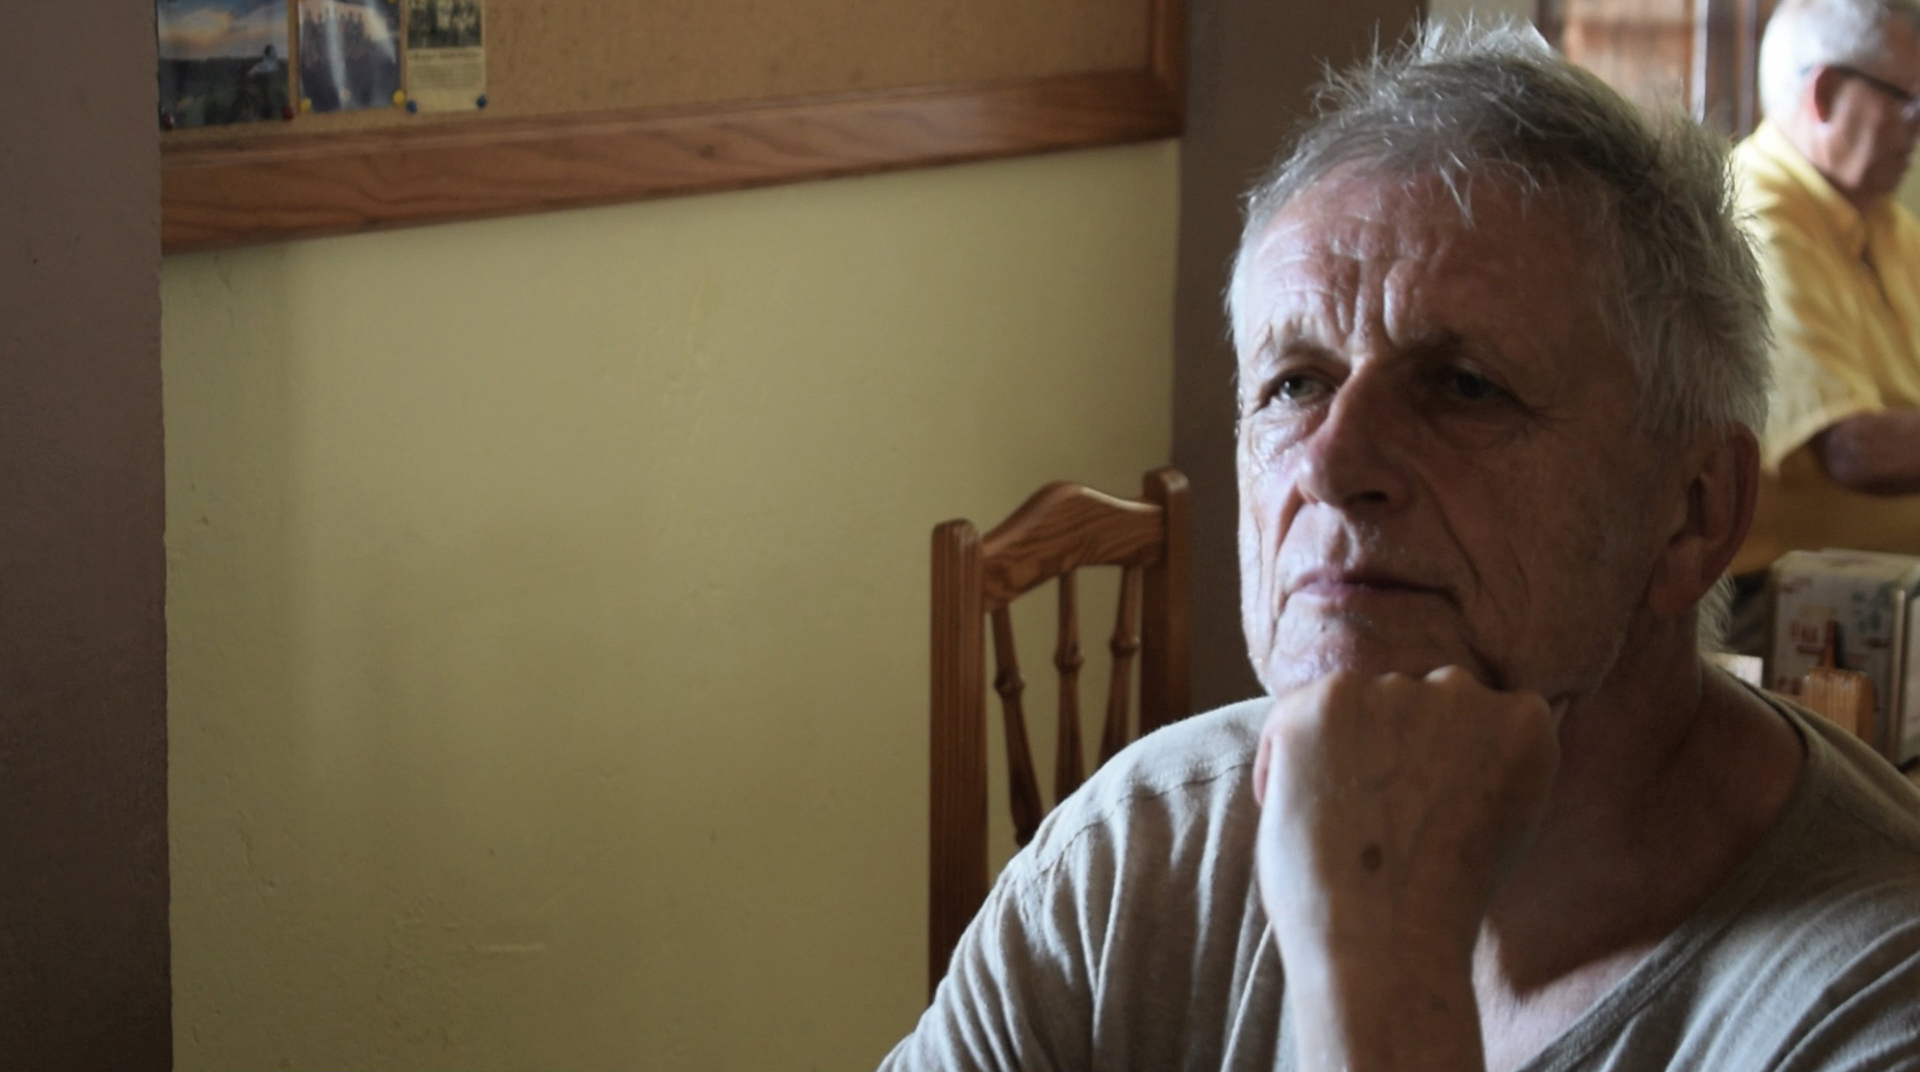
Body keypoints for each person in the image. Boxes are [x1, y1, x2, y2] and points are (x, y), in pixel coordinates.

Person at [880, 23, 1920, 1072]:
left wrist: (1377, 957)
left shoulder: (1873, 989)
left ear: (1692, 509)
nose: (1333, 463)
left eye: (1465, 387)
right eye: (1294, 384)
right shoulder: (1137, 857)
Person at [1727, 0, 1920, 641]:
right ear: (1827, 92)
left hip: (1886, 589)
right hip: (1779, 606)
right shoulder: (1757, 216)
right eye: (1908, 101)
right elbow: (1855, 450)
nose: (1918, 127)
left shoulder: (1884, 222)